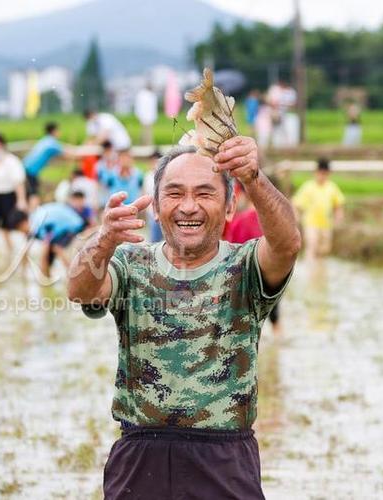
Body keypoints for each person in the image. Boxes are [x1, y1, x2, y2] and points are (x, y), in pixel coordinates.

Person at [66, 137, 301, 499]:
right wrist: (105, 238)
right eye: (174, 194)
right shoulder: (130, 264)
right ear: (157, 208)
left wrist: (253, 177)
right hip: (140, 454)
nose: (188, 207)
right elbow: (80, 290)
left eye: (205, 194)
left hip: (224, 456)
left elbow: (287, 245)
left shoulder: (245, 266)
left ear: (228, 206)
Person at [223, 182, 282, 334]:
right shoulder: (272, 219)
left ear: (244, 194)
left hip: (247, 278)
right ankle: (278, 344)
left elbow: (230, 251)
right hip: (270, 275)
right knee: (275, 317)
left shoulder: (238, 221)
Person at [11, 191, 90, 278]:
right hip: (63, 224)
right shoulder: (33, 219)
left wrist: (42, 276)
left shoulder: (37, 225)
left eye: (20, 229)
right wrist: (23, 273)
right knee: (50, 252)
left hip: (72, 225)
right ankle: (50, 275)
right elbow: (25, 249)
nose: (21, 232)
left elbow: (45, 248)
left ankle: (74, 274)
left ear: (22, 223)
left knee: (55, 247)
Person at [292, 157, 345, 260]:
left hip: (326, 225)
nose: (322, 176)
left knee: (324, 250)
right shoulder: (308, 187)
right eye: (321, 173)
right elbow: (296, 203)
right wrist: (296, 216)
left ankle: (320, 271)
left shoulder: (332, 188)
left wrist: (339, 216)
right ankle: (311, 271)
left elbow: (338, 205)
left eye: (325, 174)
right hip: (311, 224)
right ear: (316, 173)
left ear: (329, 174)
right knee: (312, 246)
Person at [23, 122, 66, 210]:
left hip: (26, 169)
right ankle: (32, 217)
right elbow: (67, 153)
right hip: (29, 171)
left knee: (30, 194)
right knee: (33, 195)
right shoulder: (52, 143)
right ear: (54, 131)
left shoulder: (44, 140)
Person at [142, 150, 163, 243]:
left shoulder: (165, 175)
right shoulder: (147, 176)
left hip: (163, 211)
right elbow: (145, 192)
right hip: (151, 213)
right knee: (154, 240)